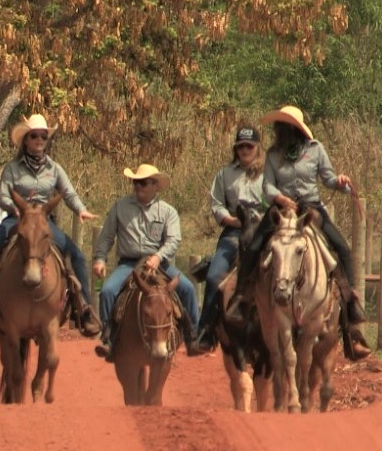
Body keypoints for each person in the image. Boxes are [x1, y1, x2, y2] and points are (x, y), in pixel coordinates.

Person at [230, 105, 371, 361]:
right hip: (281, 209)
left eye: (285, 126)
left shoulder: (315, 150)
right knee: (253, 245)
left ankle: (351, 319)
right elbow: (267, 186)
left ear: (296, 129)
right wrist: (280, 198)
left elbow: (327, 179)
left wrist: (339, 181)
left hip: (311, 208)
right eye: (279, 126)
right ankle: (242, 299)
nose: (280, 130)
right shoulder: (273, 154)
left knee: (342, 249)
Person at [0, 114, 102, 338]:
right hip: (16, 219)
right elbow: (2, 194)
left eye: (43, 135)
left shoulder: (54, 168)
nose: (40, 139)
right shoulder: (12, 168)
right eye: (35, 136)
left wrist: (80, 209)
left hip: (43, 222)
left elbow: (68, 192)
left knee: (77, 256)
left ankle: (84, 309)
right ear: (26, 140)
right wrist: (15, 208)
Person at [92, 164, 203, 359]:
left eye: (143, 183)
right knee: (108, 291)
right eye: (136, 182)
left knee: (187, 289)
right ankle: (108, 339)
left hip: (160, 264)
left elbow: (174, 240)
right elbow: (106, 237)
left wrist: (158, 256)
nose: (138, 186)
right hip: (129, 263)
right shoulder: (120, 206)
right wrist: (100, 259)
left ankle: (193, 337)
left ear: (155, 186)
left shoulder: (167, 211)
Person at [195, 126, 266, 351]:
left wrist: (265, 217)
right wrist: (230, 220)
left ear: (257, 147)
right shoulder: (224, 173)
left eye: (249, 146)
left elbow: (276, 199)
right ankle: (205, 330)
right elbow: (216, 203)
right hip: (235, 230)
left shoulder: (269, 172)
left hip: (264, 230)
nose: (245, 150)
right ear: (236, 149)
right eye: (241, 146)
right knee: (215, 276)